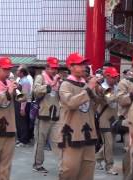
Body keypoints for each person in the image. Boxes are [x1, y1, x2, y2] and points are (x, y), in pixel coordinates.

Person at [58, 52, 101, 180]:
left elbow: (97, 104)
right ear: (70, 67)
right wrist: (89, 88)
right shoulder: (65, 85)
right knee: (69, 170)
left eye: (84, 64)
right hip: (72, 134)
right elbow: (71, 103)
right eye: (79, 64)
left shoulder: (86, 84)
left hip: (88, 133)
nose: (83, 67)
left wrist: (98, 89)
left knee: (87, 171)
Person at [32, 57, 61, 173]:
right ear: (47, 67)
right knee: (40, 141)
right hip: (43, 113)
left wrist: (60, 85)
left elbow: (59, 96)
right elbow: (36, 91)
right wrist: (51, 85)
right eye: (52, 68)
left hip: (55, 114)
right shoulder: (40, 77)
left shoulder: (57, 79)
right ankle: (37, 164)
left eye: (56, 68)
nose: (54, 70)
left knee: (57, 140)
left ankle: (63, 164)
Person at [95, 67, 120, 175]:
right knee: (108, 144)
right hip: (104, 118)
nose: (115, 79)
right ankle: (109, 166)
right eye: (113, 77)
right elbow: (110, 99)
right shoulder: (103, 87)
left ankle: (96, 158)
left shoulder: (116, 86)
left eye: (116, 76)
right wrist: (121, 94)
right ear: (107, 76)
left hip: (114, 118)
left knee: (110, 144)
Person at [16, 65, 32, 146]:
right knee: (20, 122)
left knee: (23, 122)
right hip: (20, 102)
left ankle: (23, 140)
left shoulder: (25, 81)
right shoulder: (21, 80)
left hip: (24, 104)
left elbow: (24, 96)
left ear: (22, 73)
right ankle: (21, 138)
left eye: (18, 70)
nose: (16, 71)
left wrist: (22, 108)